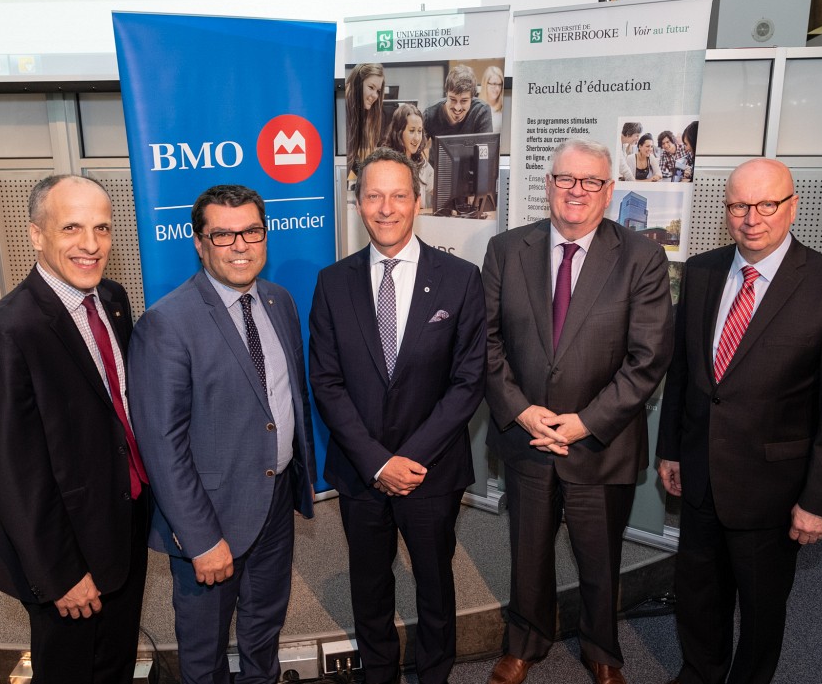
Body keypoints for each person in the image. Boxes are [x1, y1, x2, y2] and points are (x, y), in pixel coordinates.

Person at [656, 158, 822, 684]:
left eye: (765, 204)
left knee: (760, 610)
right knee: (699, 594)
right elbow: (683, 372)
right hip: (702, 478)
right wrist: (670, 450)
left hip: (774, 494)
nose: (751, 218)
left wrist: (820, 502)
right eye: (737, 205)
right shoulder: (703, 271)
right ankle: (700, 674)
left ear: (792, 206)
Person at [482, 139, 673, 684]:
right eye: (566, 179)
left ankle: (602, 650)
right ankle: (525, 642)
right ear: (547, 185)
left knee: (600, 559)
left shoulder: (641, 256)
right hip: (528, 440)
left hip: (600, 443)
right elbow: (485, 342)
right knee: (528, 555)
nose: (577, 191)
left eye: (590, 182)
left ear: (609, 191)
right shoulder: (505, 250)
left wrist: (585, 421)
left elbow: (648, 356)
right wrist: (521, 412)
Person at [0, 174, 149, 684]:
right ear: (36, 235)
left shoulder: (111, 298)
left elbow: (116, 412)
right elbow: (12, 476)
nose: (91, 245)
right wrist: (61, 574)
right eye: (71, 228)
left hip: (123, 524)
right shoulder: (3, 333)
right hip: (66, 552)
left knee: (114, 665)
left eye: (102, 229)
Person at [309, 147, 487, 684]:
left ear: (418, 201)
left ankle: (435, 674)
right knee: (369, 586)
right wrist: (377, 462)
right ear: (357, 202)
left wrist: (407, 457)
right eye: (373, 195)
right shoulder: (332, 283)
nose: (386, 208)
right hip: (362, 473)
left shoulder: (460, 278)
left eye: (398, 195)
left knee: (435, 584)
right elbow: (326, 382)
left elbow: (467, 380)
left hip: (431, 470)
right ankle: (379, 673)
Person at [127, 185, 316, 684]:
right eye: (224, 234)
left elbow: (285, 398)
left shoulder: (279, 300)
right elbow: (161, 446)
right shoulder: (166, 324)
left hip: (275, 499)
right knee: (204, 649)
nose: (240, 245)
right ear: (199, 241)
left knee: (263, 628)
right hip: (208, 516)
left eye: (251, 231)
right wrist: (200, 538)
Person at [381, 103, 434, 211]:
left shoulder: (422, 165)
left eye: (419, 131)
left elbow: (440, 192)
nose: (417, 138)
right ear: (399, 132)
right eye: (411, 131)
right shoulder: (384, 164)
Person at [423, 63, 494, 141]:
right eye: (453, 99)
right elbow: (418, 148)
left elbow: (486, 149)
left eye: (464, 101)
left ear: (472, 97)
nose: (457, 107)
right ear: (446, 93)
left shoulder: (481, 111)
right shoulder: (430, 113)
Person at [346, 62, 386, 179]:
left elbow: (350, 156)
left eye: (378, 90)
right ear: (357, 83)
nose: (375, 95)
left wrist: (365, 175)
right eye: (371, 87)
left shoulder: (355, 114)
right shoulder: (341, 112)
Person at [480, 65, 505, 133]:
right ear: (485, 84)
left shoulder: (504, 109)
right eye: (494, 84)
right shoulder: (477, 107)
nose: (497, 88)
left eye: (500, 84)